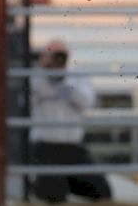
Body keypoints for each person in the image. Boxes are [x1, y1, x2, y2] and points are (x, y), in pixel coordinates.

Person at [29, 41, 112, 202]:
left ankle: (61, 182)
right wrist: (46, 75)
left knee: (103, 193)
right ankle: (46, 184)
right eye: (52, 54)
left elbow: (86, 102)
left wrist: (64, 82)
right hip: (44, 148)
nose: (57, 59)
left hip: (73, 149)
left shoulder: (77, 77)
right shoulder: (35, 78)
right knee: (53, 196)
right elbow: (26, 103)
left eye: (61, 55)